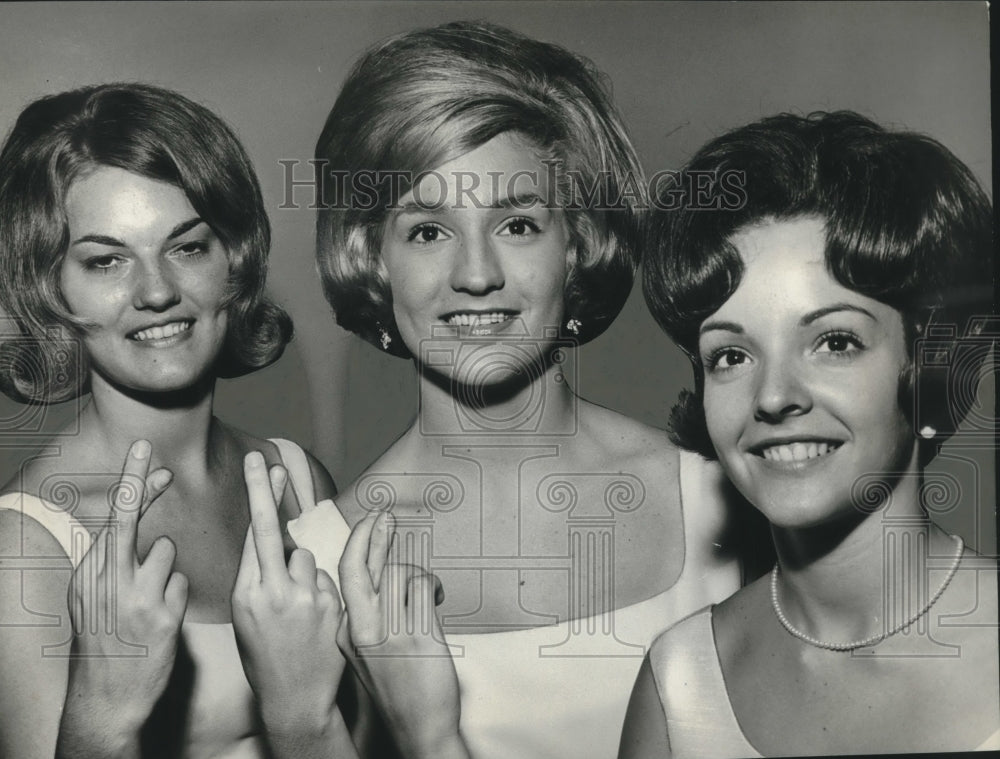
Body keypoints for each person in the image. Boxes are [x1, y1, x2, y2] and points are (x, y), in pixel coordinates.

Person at [282, 21, 754, 759]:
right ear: (373, 258)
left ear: (579, 243)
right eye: (428, 231)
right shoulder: (314, 565)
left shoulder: (726, 501)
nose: (476, 274)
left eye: (518, 222)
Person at [620, 111, 999, 757]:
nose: (772, 396)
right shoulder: (679, 679)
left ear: (929, 361)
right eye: (730, 355)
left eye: (834, 341)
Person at [0, 83, 355, 759]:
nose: (157, 291)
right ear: (50, 290)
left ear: (234, 261)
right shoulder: (25, 547)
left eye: (187, 247)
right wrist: (101, 713)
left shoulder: (297, 478)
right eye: (105, 260)